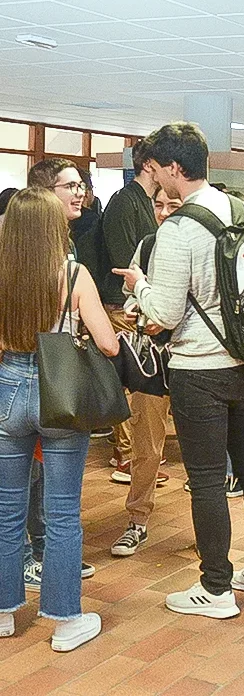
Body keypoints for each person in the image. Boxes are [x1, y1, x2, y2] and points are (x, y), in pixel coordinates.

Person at [115, 122, 244, 619]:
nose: (156, 182)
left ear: (173, 168)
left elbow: (163, 315)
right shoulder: (241, 212)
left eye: (155, 170)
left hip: (199, 370)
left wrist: (140, 284)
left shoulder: (177, 229)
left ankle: (216, 588)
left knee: (208, 479)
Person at [0, 187, 119, 650]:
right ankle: (67, 620)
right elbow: (108, 345)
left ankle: (5, 613)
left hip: (7, 391)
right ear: (54, 229)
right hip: (61, 395)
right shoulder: (73, 275)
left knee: (7, 511)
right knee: (63, 512)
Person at [110, 188, 182, 557]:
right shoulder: (148, 246)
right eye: (159, 205)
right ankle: (137, 521)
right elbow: (132, 294)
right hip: (150, 360)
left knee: (205, 448)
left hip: (194, 360)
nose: (164, 212)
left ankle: (212, 529)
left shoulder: (201, 245)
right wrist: (136, 311)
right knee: (146, 446)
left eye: (174, 205)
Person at [100, 140, 159, 475]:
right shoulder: (125, 202)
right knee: (129, 380)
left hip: (142, 304)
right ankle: (125, 454)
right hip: (124, 306)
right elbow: (126, 264)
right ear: (149, 164)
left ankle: (138, 453)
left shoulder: (148, 202)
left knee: (142, 382)